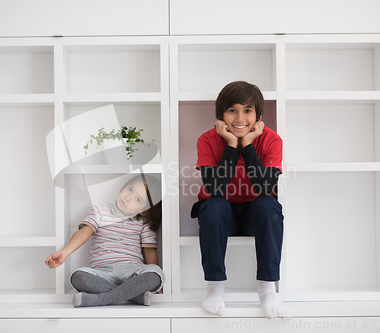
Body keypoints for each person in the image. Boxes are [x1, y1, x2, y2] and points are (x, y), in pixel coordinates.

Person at [192, 81, 284, 318]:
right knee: (213, 205)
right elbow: (214, 187)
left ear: (259, 116)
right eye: (232, 110)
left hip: (255, 214)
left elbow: (265, 187)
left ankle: (267, 288)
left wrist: (249, 146)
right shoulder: (207, 139)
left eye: (248, 111)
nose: (239, 118)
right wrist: (233, 146)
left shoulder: (272, 140)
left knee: (269, 204)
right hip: (222, 214)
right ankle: (214, 287)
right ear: (221, 115)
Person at [45, 174, 164, 307]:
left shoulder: (143, 223)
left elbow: (150, 252)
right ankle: (134, 297)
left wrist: (158, 284)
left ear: (144, 211)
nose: (128, 197)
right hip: (102, 272)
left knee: (156, 274)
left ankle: (99, 299)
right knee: (78, 277)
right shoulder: (100, 212)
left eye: (138, 199)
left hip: (132, 272)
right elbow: (84, 232)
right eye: (130, 189)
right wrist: (64, 252)